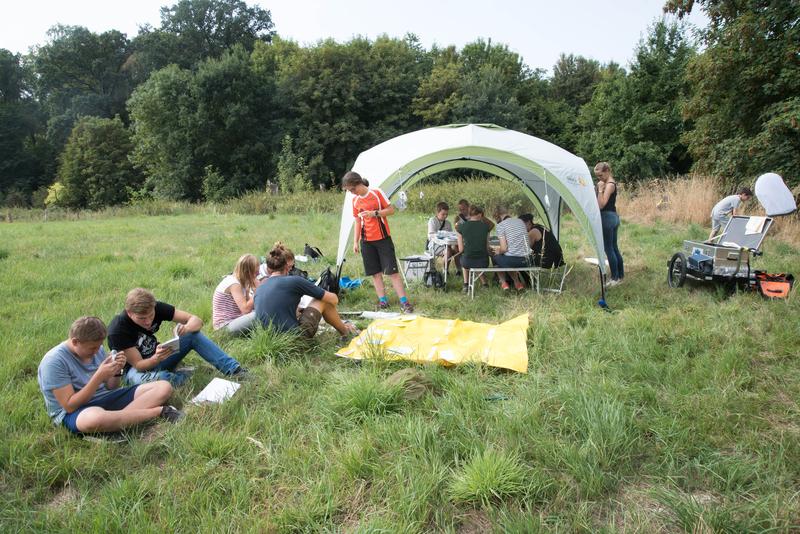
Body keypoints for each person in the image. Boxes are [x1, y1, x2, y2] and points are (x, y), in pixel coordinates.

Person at [37, 316, 182, 436]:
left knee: (163, 387)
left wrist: (117, 370)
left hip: (105, 398)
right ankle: (158, 412)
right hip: (77, 412)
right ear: (75, 342)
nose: (96, 351)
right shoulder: (54, 361)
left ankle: (117, 424)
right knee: (94, 420)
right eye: (92, 348)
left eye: (98, 347)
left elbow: (111, 387)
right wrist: (98, 376)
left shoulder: (97, 348)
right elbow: (69, 406)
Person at [108, 288, 248, 386]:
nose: (148, 321)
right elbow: (139, 365)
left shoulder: (157, 307)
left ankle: (234, 370)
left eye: (151, 316)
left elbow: (196, 320)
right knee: (162, 379)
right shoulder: (118, 330)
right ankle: (188, 376)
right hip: (134, 370)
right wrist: (156, 358)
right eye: (142, 318)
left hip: (159, 355)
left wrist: (186, 328)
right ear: (129, 313)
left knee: (193, 335)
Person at [342, 171, 414, 312]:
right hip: (366, 241)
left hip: (383, 239)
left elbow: (391, 210)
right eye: (349, 191)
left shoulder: (376, 192)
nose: (351, 193)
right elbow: (357, 220)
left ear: (358, 183)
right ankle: (383, 302)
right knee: (375, 273)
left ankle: (404, 302)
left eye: (352, 189)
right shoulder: (355, 200)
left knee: (392, 272)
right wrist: (355, 242)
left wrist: (374, 213)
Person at [254, 245, 358, 339]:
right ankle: (346, 332)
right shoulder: (294, 280)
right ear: (287, 267)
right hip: (294, 340)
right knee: (323, 300)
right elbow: (333, 299)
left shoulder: (260, 288)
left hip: (271, 341)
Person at [212, 254, 259, 335]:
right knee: (259, 315)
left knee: (264, 310)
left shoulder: (241, 281)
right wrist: (258, 291)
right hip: (224, 327)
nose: (257, 275)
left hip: (235, 319)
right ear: (247, 272)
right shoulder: (234, 284)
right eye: (256, 272)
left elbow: (251, 305)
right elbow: (245, 310)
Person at [595, 161, 625, 286]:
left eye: (600, 175)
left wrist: (600, 190)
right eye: (597, 176)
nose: (599, 178)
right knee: (614, 247)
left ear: (607, 172)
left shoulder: (609, 185)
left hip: (607, 218)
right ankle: (620, 275)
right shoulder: (609, 183)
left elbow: (601, 204)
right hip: (613, 217)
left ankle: (614, 278)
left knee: (609, 248)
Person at [492, 205, 531, 291]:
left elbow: (504, 249)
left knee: (496, 257)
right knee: (506, 257)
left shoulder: (500, 226)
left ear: (497, 216)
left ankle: (504, 283)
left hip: (513, 260)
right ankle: (517, 283)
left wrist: (498, 251)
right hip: (527, 259)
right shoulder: (520, 221)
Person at [456, 205, 492, 292]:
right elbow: (487, 247)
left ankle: (466, 285)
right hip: (483, 261)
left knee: (465, 258)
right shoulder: (486, 227)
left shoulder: (461, 227)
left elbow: (461, 249)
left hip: (467, 261)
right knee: (477, 260)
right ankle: (484, 284)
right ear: (480, 215)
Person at [427, 201, 460, 274]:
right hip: (435, 245)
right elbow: (431, 235)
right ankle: (445, 271)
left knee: (457, 249)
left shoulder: (448, 223)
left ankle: (459, 270)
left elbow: (451, 235)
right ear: (437, 213)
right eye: (443, 214)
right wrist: (442, 235)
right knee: (448, 251)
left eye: (446, 214)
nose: (445, 216)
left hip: (447, 244)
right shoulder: (432, 221)